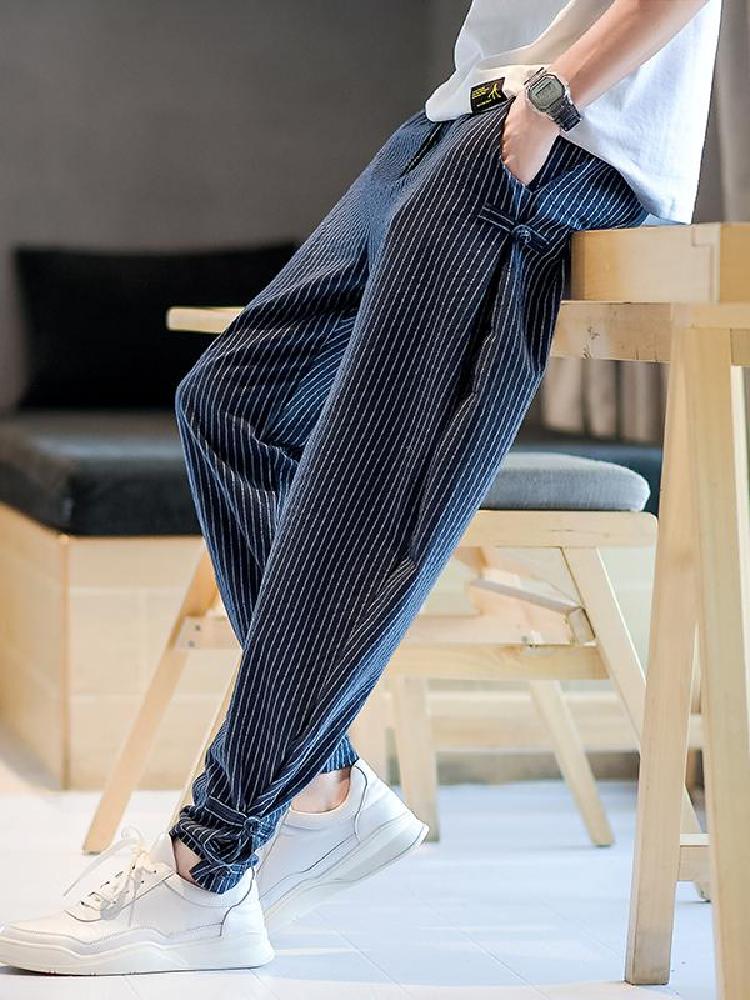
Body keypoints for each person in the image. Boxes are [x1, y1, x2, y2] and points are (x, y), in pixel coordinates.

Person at [0, 0, 721, 976]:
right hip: (459, 113)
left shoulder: (555, 117)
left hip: (564, 134)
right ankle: (321, 788)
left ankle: (209, 863)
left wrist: (554, 98)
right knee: (231, 402)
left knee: (369, 494)